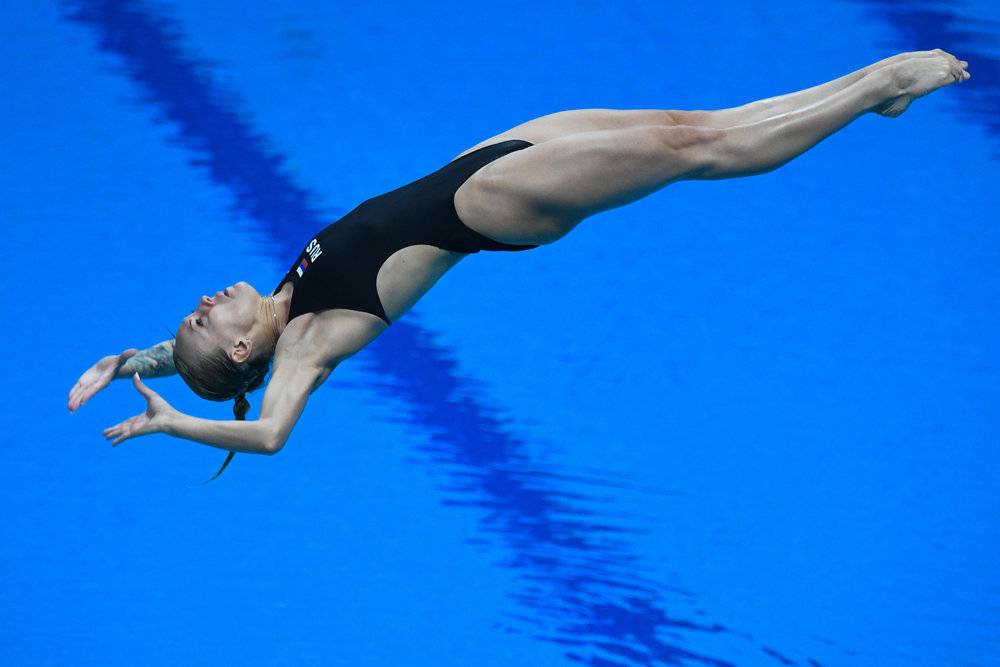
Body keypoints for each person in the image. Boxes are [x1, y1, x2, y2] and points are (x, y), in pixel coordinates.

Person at [68, 50, 970, 478]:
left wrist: (135, 359)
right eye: (200, 320)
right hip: (502, 203)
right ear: (237, 354)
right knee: (698, 149)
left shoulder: (274, 299)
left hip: (485, 161)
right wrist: (174, 424)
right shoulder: (303, 340)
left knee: (691, 125)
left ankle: (861, 99)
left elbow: (194, 355)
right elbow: (268, 433)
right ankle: (873, 88)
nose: (199, 301)